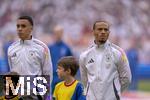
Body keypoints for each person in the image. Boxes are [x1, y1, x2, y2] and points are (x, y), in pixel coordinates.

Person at [79, 21, 132, 100]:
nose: (103, 32)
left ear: (109, 32)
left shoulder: (117, 53)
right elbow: (84, 80)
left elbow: (126, 78)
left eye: (105, 30)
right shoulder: (85, 55)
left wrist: (115, 93)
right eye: (100, 29)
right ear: (93, 32)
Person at [7, 15, 53, 100]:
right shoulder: (11, 48)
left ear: (31, 28)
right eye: (18, 26)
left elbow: (47, 73)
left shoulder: (42, 48)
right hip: (17, 95)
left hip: (35, 95)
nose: (20, 29)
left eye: (23, 26)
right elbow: (11, 72)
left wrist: (47, 97)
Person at [48, 25, 73, 93]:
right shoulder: (49, 47)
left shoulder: (66, 48)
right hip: (52, 77)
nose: (57, 34)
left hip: (63, 77)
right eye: (56, 33)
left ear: (62, 33)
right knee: (51, 95)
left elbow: (72, 62)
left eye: (59, 32)